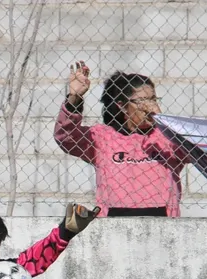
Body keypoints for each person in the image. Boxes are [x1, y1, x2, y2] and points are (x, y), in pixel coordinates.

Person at [55, 63, 186, 217]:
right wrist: (74, 98)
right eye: (141, 101)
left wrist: (163, 122)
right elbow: (67, 138)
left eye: (153, 100)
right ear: (122, 106)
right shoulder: (103, 137)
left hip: (164, 223)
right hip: (114, 224)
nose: (149, 107)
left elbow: (194, 151)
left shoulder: (165, 136)